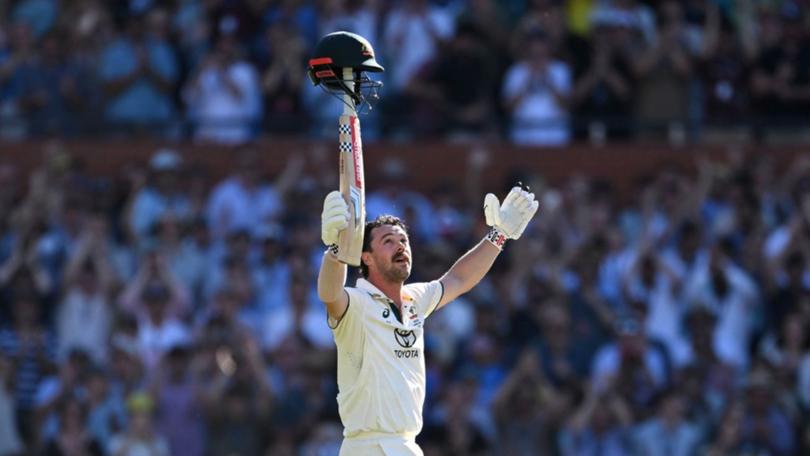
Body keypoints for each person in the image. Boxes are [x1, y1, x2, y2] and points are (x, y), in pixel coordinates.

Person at [317, 185, 538, 455]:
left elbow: (458, 279)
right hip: (368, 446)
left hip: (407, 445)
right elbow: (330, 294)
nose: (400, 247)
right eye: (388, 241)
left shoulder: (415, 299)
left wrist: (500, 235)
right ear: (366, 258)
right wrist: (336, 252)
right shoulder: (357, 303)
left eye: (403, 241)